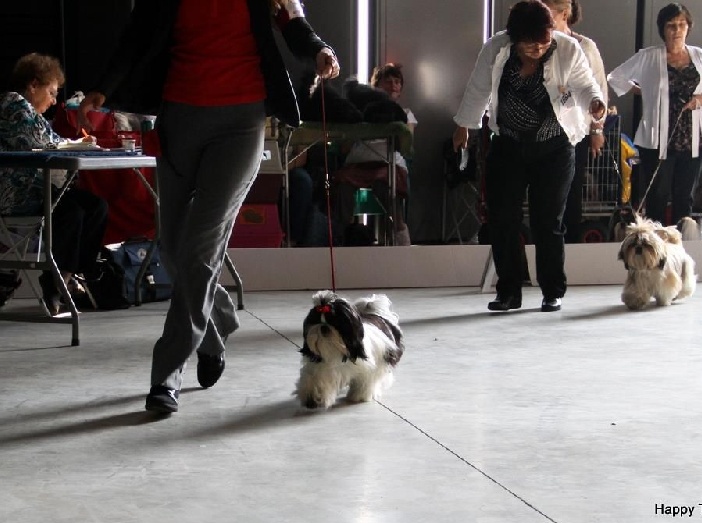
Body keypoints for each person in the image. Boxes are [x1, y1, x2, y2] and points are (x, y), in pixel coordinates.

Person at [78, 0, 339, 414]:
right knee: (173, 248)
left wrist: (320, 50)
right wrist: (103, 88)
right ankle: (216, 325)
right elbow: (137, 35)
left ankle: (167, 372)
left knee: (200, 249)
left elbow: (293, 24)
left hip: (242, 121)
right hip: (179, 117)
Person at [453, 0, 606, 313]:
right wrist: (463, 127)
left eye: (544, 41)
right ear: (514, 37)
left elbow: (585, 84)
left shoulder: (567, 49)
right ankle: (508, 291)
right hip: (508, 144)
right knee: (502, 219)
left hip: (555, 147)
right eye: (530, 43)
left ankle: (552, 290)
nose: (538, 48)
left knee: (548, 220)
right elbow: (478, 88)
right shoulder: (496, 49)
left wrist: (595, 104)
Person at [0, 53, 108, 315]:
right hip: (17, 193)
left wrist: (78, 144)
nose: (53, 101)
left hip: (42, 190)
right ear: (33, 84)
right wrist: (77, 144)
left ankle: (66, 277)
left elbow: (54, 139)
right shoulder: (13, 105)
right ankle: (58, 282)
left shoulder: (32, 113)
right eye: (51, 92)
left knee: (96, 207)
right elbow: (40, 142)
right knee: (71, 213)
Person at [607, 3, 702, 227]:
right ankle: (653, 246)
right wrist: (641, 90)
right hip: (657, 139)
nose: (677, 30)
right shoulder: (648, 56)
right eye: (671, 25)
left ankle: (680, 247)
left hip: (692, 137)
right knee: (657, 196)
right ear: (662, 29)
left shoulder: (700, 55)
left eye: (682, 25)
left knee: (684, 198)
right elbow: (614, 77)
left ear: (689, 27)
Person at [543, 0, 609, 243]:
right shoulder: (537, 43)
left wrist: (597, 129)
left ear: (564, 13)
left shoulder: (585, 47)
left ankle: (567, 246)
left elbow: (599, 89)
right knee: (544, 193)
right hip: (541, 130)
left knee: (571, 191)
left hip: (575, 132)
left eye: (548, 9)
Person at [337, 63, 416, 245]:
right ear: (376, 87)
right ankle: (341, 242)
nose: (393, 86)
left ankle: (402, 244)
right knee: (343, 187)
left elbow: (406, 145)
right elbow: (344, 149)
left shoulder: (405, 114)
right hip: (357, 164)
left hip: (389, 165)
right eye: (388, 82)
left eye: (397, 82)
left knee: (388, 187)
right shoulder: (356, 114)